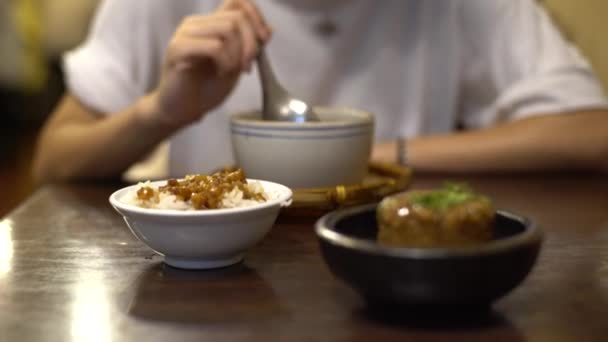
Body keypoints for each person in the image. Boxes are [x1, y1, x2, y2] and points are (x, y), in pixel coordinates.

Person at [33, 0, 608, 184]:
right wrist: (160, 112)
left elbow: (591, 132)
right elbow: (54, 161)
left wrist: (366, 157)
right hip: (206, 286)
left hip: (398, 282)